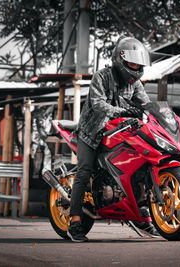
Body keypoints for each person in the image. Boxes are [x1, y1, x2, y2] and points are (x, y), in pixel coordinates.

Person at [67, 36, 157, 242]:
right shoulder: (101, 77)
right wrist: (124, 112)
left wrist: (155, 114)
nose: (136, 67)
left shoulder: (135, 83)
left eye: (138, 63)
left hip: (118, 134)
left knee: (139, 165)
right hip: (92, 134)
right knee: (84, 172)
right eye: (132, 63)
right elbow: (98, 104)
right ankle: (75, 221)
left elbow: (146, 104)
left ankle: (141, 215)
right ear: (120, 60)